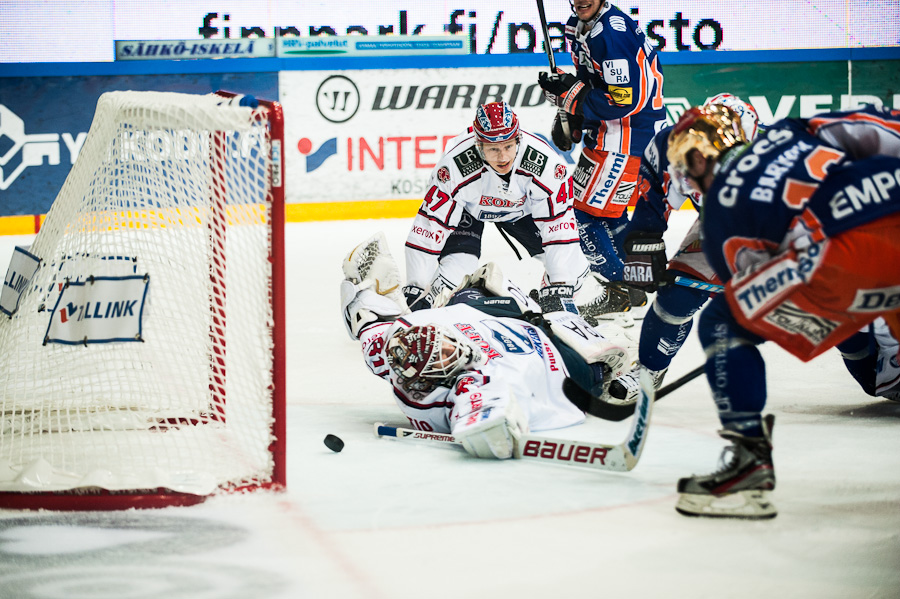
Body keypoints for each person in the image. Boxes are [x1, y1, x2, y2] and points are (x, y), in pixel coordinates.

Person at [665, 102, 900, 519]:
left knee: (723, 320)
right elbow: (881, 129)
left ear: (700, 155)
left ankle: (748, 459)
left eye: (686, 163)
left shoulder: (720, 214)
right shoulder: (791, 131)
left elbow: (755, 286)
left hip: (844, 260)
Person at [341, 232, 637, 459]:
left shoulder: (394, 342)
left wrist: (364, 290)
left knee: (482, 283)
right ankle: (596, 352)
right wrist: (492, 429)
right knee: (588, 366)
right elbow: (485, 418)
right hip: (557, 369)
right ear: (434, 379)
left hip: (494, 328)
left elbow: (367, 322)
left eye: (446, 345)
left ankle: (537, 317)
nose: (454, 350)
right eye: (446, 357)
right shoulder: (469, 387)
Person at [609, 94, 760, 403]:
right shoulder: (672, 144)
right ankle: (650, 369)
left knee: (839, 314)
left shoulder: (782, 155)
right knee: (676, 298)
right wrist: (644, 244)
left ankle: (884, 363)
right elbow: (652, 203)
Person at [536, 0, 667, 322]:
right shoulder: (577, 25)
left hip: (626, 136)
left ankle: (617, 289)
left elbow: (623, 99)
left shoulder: (611, 34)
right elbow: (593, 78)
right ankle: (634, 284)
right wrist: (573, 113)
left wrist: (573, 98)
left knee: (579, 219)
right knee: (607, 214)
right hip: (611, 133)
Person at [402, 100, 594, 318]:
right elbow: (427, 230)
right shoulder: (454, 167)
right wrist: (416, 288)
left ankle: (590, 297)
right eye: (493, 148)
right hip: (468, 209)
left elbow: (559, 227)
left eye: (508, 146)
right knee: (456, 273)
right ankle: (429, 306)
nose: (502, 157)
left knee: (573, 270)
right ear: (479, 145)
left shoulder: (547, 165)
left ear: (518, 140)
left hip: (522, 210)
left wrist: (559, 285)